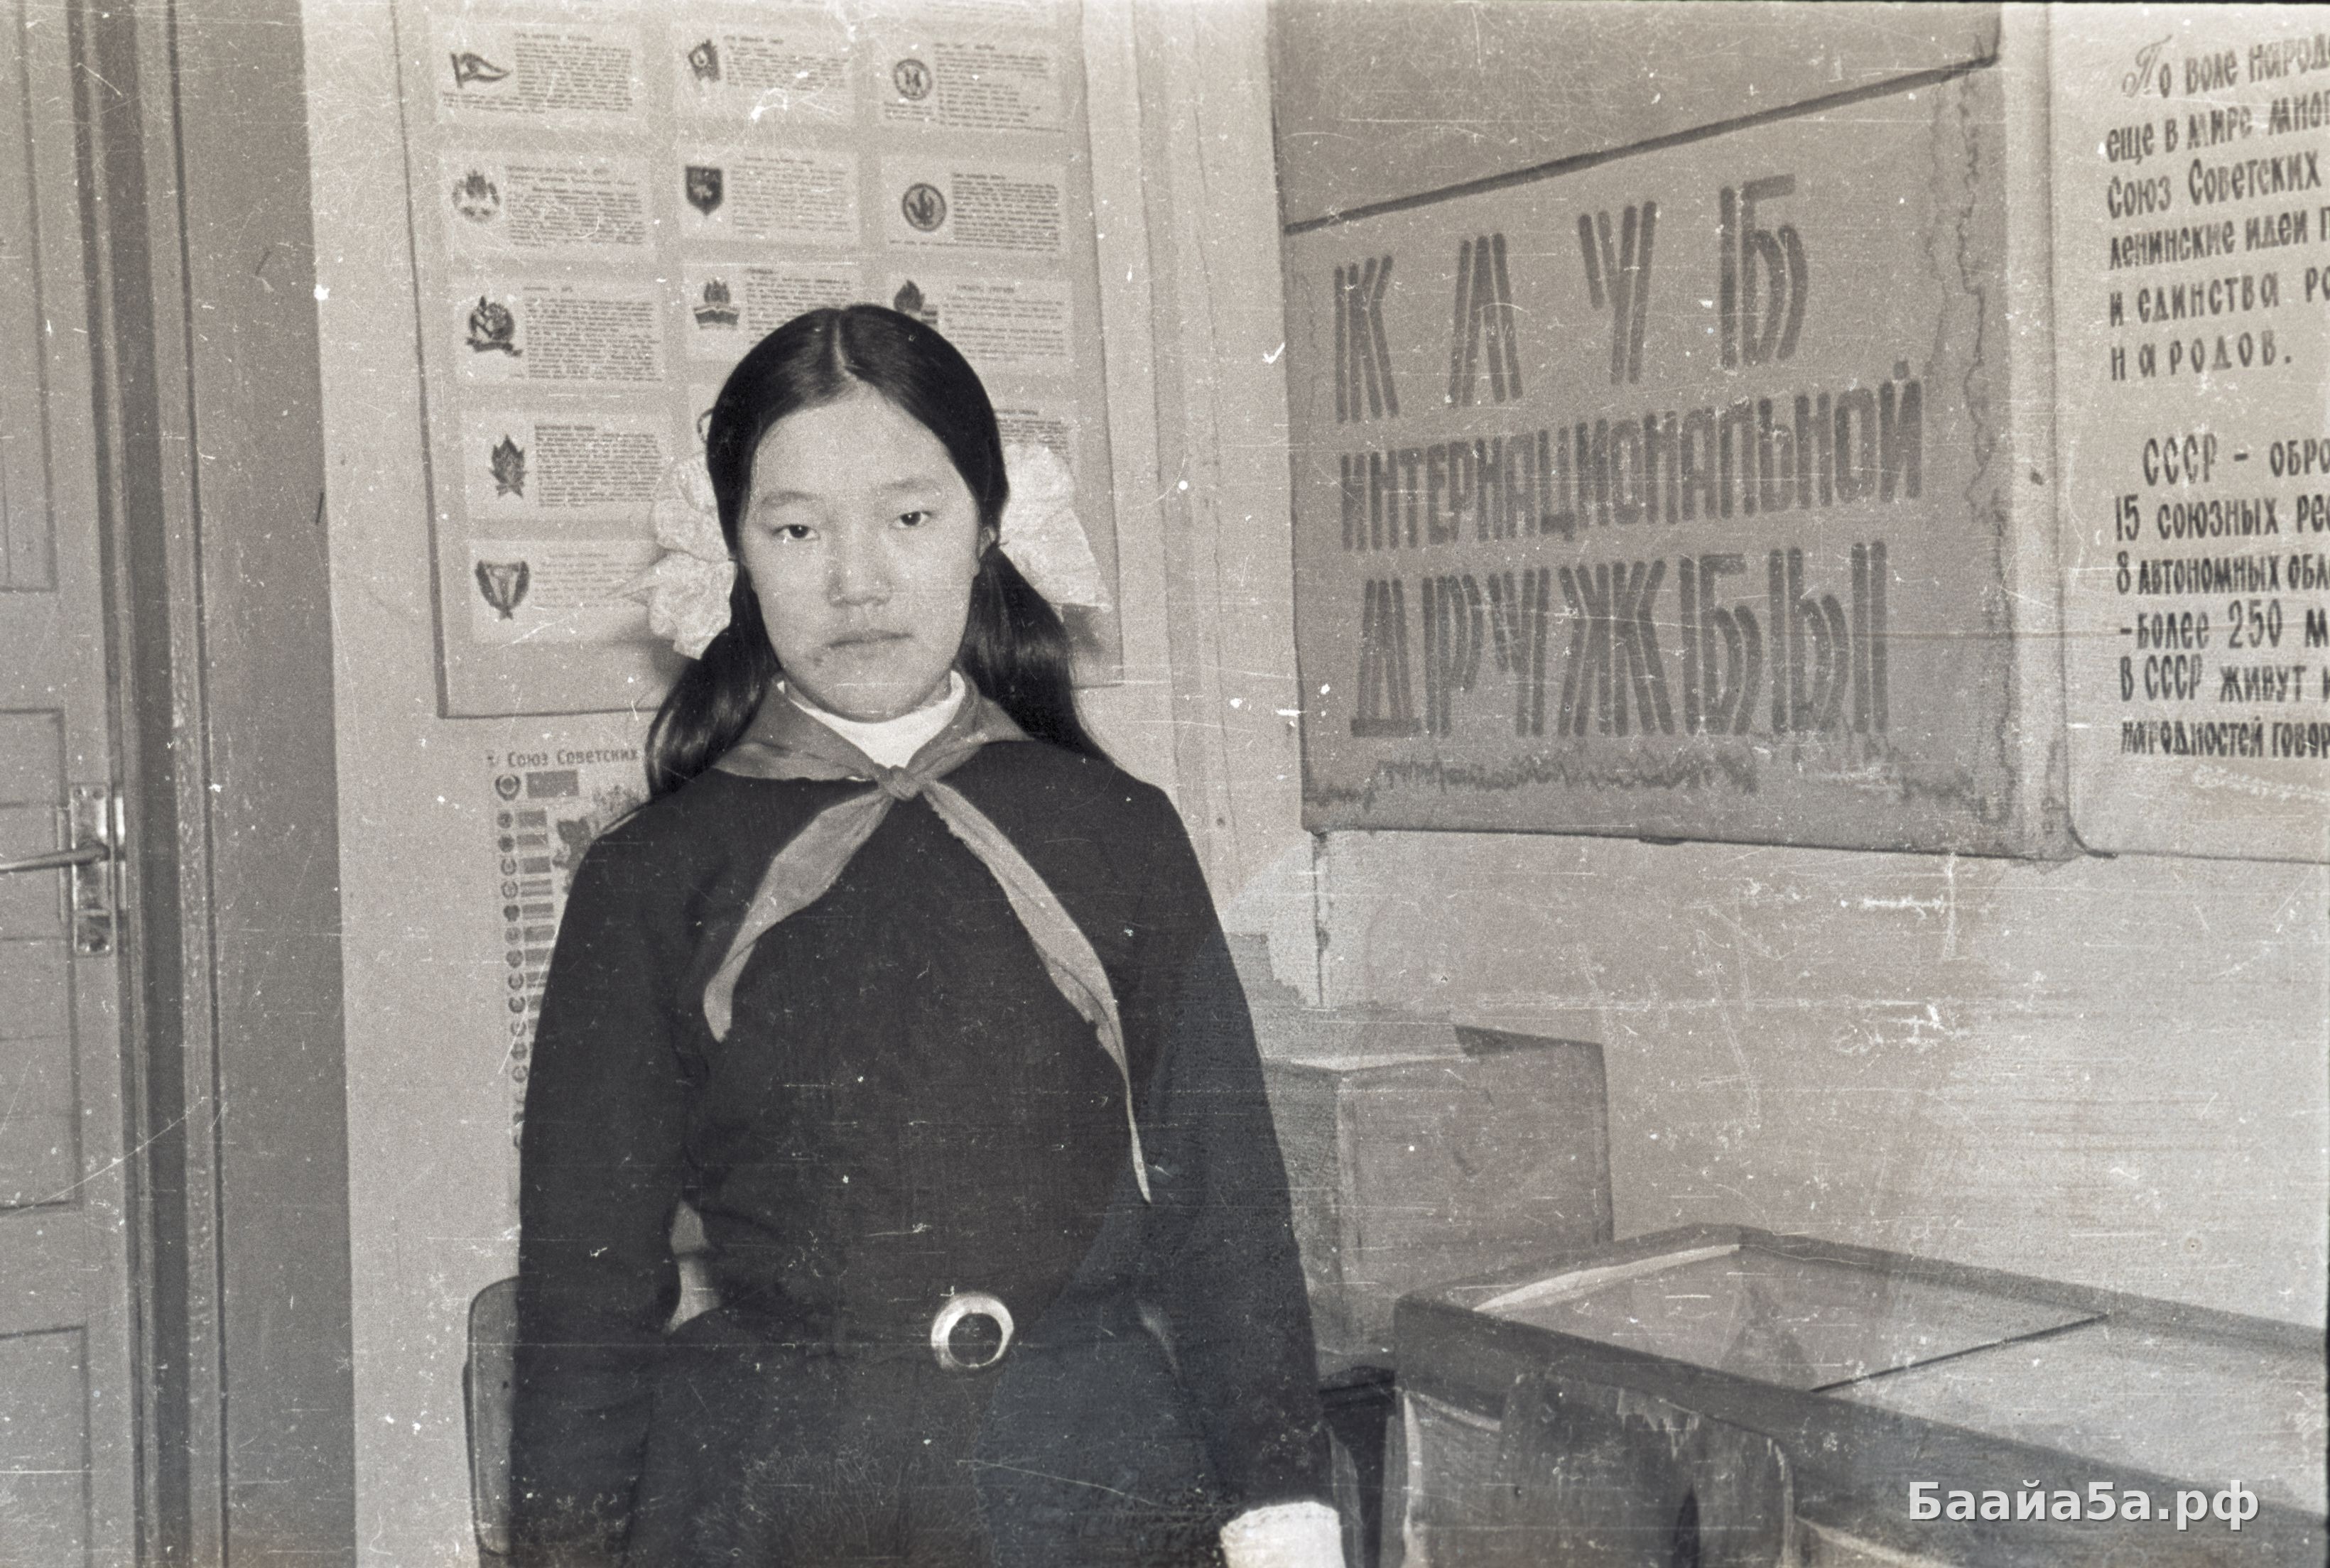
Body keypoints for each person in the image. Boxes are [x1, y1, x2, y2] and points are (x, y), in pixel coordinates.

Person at [509, 304, 1343, 1568]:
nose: (856, 580)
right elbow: (586, 1288)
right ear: (732, 551)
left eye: (910, 517)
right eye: (796, 529)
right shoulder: (650, 878)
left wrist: (1283, 1517)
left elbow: (1229, 1216)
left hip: (1090, 1488)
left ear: (989, 528)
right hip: (771, 1503)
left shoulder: (1119, 833)